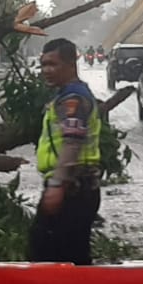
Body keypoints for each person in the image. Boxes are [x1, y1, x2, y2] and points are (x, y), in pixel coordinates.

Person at [29, 37, 102, 265]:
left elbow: (72, 142)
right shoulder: (68, 95)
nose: (46, 70)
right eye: (43, 65)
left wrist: (56, 185)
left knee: (51, 256)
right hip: (76, 188)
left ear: (71, 65)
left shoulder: (73, 99)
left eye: (53, 64)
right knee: (68, 257)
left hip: (73, 189)